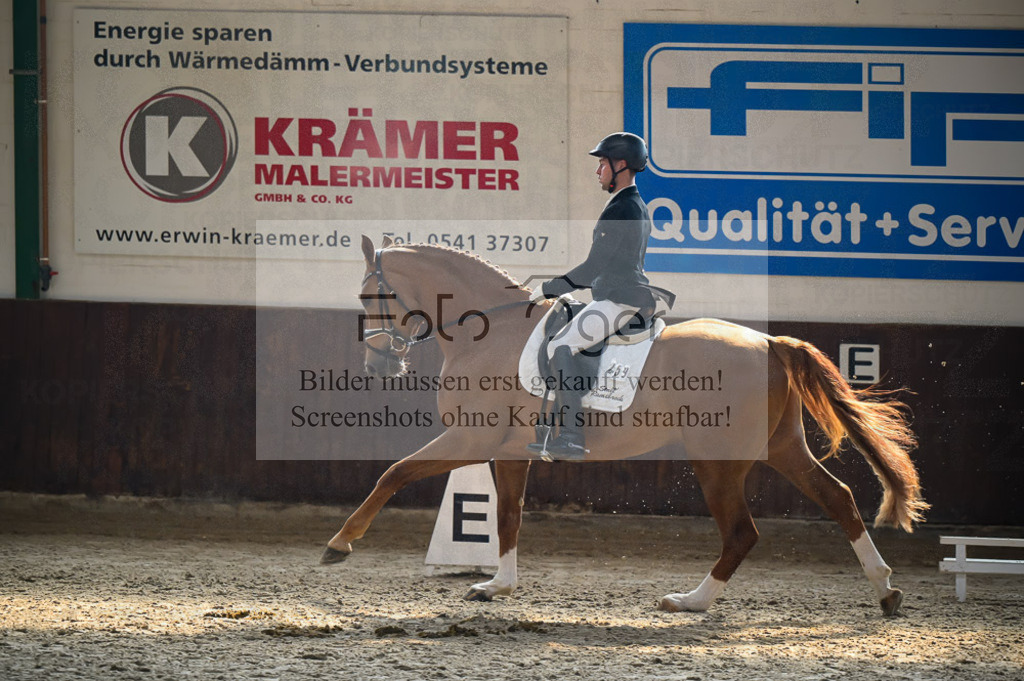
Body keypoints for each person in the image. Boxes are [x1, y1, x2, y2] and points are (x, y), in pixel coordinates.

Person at [526, 132, 667, 460]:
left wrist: (550, 288)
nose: (598, 170)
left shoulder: (623, 208)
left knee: (560, 345)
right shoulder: (630, 204)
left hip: (620, 301)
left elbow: (593, 267)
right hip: (618, 296)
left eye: (602, 163)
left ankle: (572, 436)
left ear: (620, 165)